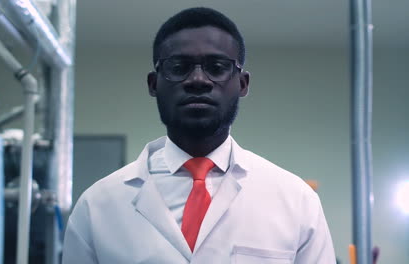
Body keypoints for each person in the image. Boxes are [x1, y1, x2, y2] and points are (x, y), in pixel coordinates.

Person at [62, 7, 336, 264]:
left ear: (242, 84)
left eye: (216, 67)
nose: (198, 80)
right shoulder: (97, 205)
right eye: (179, 67)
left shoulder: (296, 200)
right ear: (154, 84)